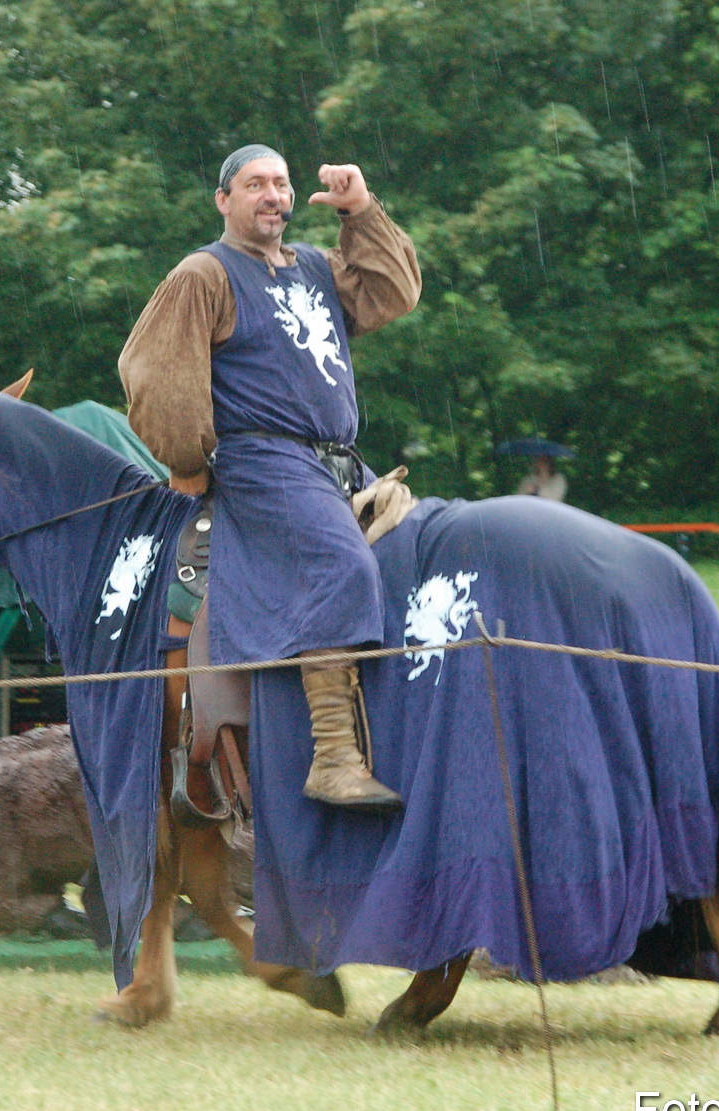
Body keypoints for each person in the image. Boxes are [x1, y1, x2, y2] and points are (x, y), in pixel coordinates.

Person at [119, 144, 420, 809]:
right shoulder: (205, 273)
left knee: (417, 548)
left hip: (340, 460)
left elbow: (394, 294)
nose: (273, 195)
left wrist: (360, 211)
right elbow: (158, 375)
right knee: (341, 566)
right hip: (264, 463)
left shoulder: (315, 265)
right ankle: (333, 756)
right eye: (255, 184)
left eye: (281, 184)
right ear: (224, 200)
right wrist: (188, 462)